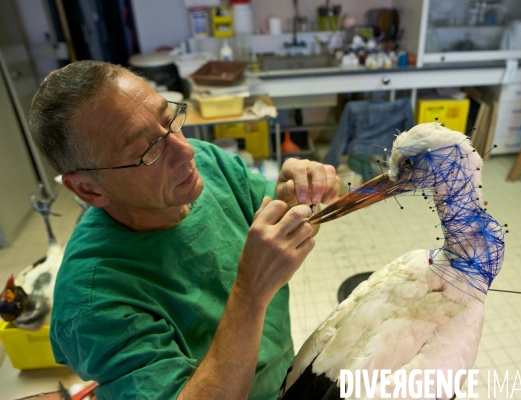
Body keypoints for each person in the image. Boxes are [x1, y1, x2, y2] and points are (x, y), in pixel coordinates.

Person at [29, 60, 340, 399]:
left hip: (284, 381)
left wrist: (294, 200)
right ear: (89, 190)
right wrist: (249, 294)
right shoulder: (92, 303)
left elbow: (275, 231)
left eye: (169, 121)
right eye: (147, 150)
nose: (186, 150)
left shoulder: (206, 165)